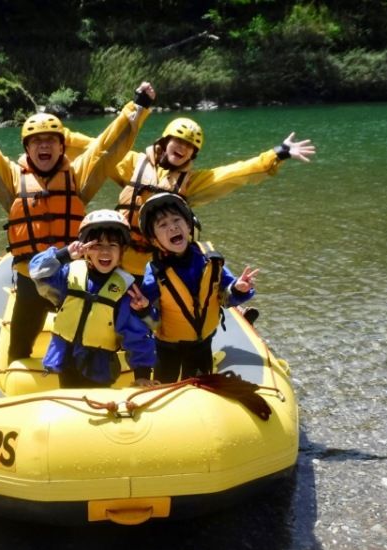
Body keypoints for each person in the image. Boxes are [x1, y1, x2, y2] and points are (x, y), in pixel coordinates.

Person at [0, 81, 156, 363]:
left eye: (51, 140)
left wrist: (138, 106)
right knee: (19, 348)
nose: (44, 145)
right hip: (29, 278)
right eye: (36, 140)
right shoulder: (12, 179)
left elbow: (106, 148)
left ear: (63, 147)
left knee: (89, 337)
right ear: (27, 147)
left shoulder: (77, 177)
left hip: (73, 279)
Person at [69, 116, 316, 277]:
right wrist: (61, 138)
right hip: (117, 258)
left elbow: (235, 173)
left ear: (193, 153)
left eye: (189, 146)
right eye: (177, 141)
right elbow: (98, 148)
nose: (182, 147)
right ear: (165, 142)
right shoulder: (135, 164)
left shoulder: (192, 183)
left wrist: (277, 154)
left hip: (154, 265)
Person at [28, 209, 157, 389]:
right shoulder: (68, 275)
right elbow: (36, 272)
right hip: (66, 359)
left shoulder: (126, 291)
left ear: (122, 251)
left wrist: (142, 375)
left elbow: (137, 335)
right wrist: (63, 254)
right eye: (97, 245)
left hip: (100, 366)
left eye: (112, 245)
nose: (105, 251)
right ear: (86, 250)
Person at [138, 192, 258, 383]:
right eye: (163, 225)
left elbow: (226, 299)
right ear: (154, 240)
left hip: (201, 344)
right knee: (164, 388)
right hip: (167, 347)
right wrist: (143, 308)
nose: (173, 227)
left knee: (203, 387)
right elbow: (151, 322)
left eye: (177, 220)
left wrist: (238, 289)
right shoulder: (155, 271)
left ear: (189, 225)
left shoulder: (211, 260)